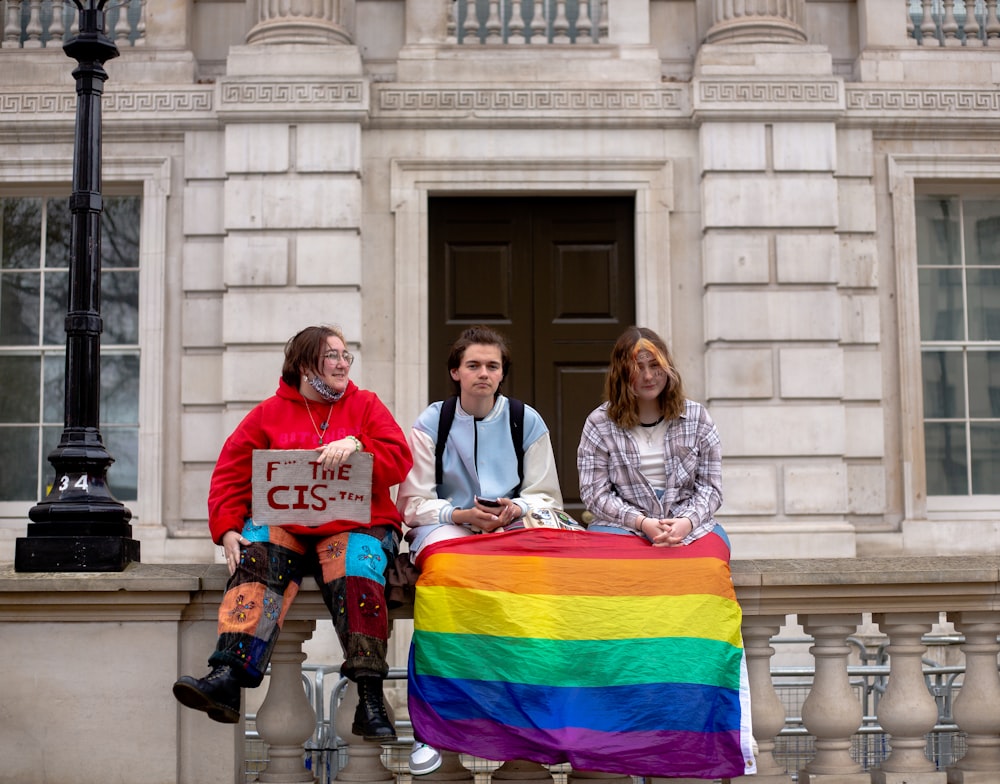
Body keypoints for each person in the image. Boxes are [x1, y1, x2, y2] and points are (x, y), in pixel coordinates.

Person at [173, 325, 413, 744]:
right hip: (286, 525)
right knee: (257, 556)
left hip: (356, 523)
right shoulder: (268, 413)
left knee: (358, 567)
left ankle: (369, 697)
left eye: (345, 356)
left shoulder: (367, 406)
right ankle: (228, 675)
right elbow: (230, 473)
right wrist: (227, 528)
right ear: (305, 366)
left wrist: (359, 443)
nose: (342, 364)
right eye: (331, 356)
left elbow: (398, 459)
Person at [396, 324, 564, 774]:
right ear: (456, 371)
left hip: (509, 530)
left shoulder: (525, 421)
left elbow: (547, 497)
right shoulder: (433, 421)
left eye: (492, 366)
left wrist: (514, 508)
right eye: (473, 365)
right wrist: (459, 516)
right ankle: (429, 729)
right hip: (449, 529)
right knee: (445, 585)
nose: (483, 374)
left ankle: (529, 714)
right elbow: (411, 504)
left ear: (501, 372)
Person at [577, 325, 725, 548]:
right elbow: (594, 493)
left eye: (655, 366)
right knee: (614, 563)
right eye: (638, 368)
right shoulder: (599, 424)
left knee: (710, 563)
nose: (648, 376)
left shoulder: (697, 418)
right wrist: (643, 522)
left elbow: (710, 487)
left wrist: (685, 523)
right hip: (622, 526)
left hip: (689, 523)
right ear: (622, 374)